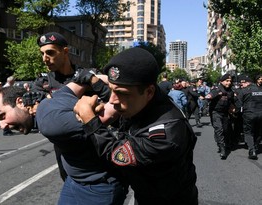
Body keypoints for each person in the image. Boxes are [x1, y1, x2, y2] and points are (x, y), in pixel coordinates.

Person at [74, 47, 198, 205]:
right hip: (145, 194)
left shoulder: (167, 132)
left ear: (149, 92)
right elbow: (123, 95)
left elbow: (117, 155)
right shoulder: (145, 102)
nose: (112, 100)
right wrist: (94, 81)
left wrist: (90, 120)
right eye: (112, 90)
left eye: (122, 94)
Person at [0, 80, 128, 205]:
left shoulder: (49, 122)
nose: (2, 126)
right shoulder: (55, 96)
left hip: (97, 189)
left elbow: (110, 112)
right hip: (74, 182)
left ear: (20, 102)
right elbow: (85, 78)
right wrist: (99, 81)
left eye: (3, 116)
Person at [32, 31, 110, 182]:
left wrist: (96, 84)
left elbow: (112, 99)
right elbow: (34, 109)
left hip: (94, 144)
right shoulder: (43, 82)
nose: (44, 59)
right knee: (69, 183)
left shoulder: (87, 74)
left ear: (65, 51)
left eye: (50, 52)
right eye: (42, 54)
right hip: (64, 148)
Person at [205, 73, 235, 159]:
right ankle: (222, 149)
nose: (228, 82)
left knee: (225, 130)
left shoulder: (230, 91)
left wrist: (233, 109)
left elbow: (231, 102)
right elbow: (210, 95)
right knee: (219, 129)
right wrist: (208, 96)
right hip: (215, 112)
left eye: (230, 81)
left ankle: (220, 142)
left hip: (225, 113)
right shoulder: (217, 89)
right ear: (222, 81)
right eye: (227, 81)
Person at [236, 75, 262, 159]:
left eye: (243, 83)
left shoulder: (243, 91)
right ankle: (256, 145)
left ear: (247, 83)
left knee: (248, 132)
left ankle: (252, 150)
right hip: (260, 114)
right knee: (258, 131)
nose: (241, 85)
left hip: (249, 114)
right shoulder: (260, 89)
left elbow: (238, 104)